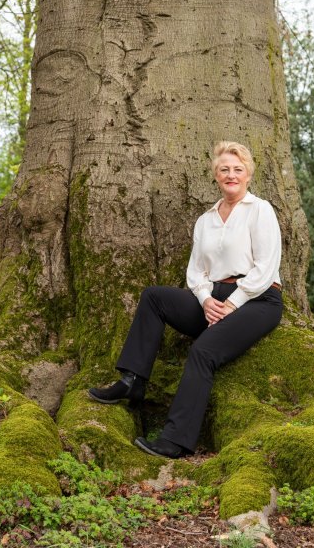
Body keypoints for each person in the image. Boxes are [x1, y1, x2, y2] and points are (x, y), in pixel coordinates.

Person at [88, 141, 283, 459]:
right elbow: (196, 272)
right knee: (155, 297)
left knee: (203, 351)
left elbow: (266, 267)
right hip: (214, 298)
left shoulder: (260, 210)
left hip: (258, 299)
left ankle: (175, 441)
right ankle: (132, 379)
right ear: (216, 176)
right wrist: (206, 300)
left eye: (237, 169)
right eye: (224, 170)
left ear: (248, 174)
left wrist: (231, 305)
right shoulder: (205, 220)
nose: (231, 175)